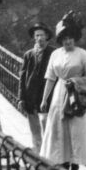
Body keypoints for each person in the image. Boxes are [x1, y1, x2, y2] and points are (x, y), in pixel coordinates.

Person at [40, 12, 86, 170]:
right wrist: (44, 99)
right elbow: (50, 77)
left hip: (77, 94)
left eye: (70, 38)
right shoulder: (55, 55)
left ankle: (75, 162)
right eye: (64, 39)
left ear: (75, 38)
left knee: (76, 128)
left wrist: (77, 82)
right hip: (59, 93)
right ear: (60, 40)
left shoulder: (83, 54)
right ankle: (61, 159)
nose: (68, 41)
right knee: (59, 127)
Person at [18, 23, 55, 153]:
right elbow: (22, 77)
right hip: (30, 95)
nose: (39, 38)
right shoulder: (28, 54)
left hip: (46, 95)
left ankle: (47, 153)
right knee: (34, 127)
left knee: (46, 123)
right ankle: (37, 151)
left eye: (42, 35)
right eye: (37, 35)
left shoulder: (53, 53)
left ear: (47, 37)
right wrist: (21, 98)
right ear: (34, 37)